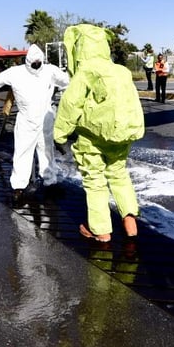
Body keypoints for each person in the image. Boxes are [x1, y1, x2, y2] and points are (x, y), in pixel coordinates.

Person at [53, 24, 144, 243]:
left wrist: (60, 135)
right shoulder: (121, 71)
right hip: (122, 134)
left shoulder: (86, 72)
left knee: (95, 181)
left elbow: (70, 105)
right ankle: (130, 221)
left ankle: (101, 230)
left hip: (91, 137)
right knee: (119, 174)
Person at [0, 44, 69, 203]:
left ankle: (50, 182)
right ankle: (19, 187)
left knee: (47, 151)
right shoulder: (16, 72)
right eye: (33, 64)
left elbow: (67, 82)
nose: (36, 66)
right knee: (22, 152)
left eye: (38, 63)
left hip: (46, 118)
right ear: (27, 61)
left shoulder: (51, 70)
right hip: (26, 120)